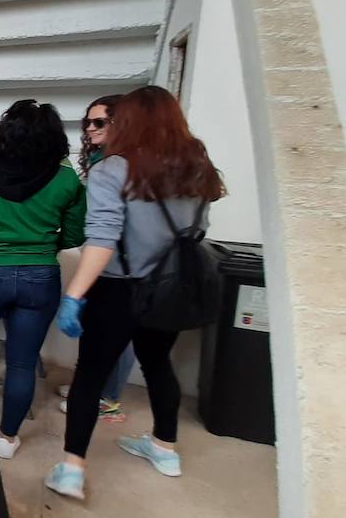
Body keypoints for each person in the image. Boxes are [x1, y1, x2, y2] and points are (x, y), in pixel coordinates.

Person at [45, 86, 224, 500]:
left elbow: (103, 238)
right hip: (170, 285)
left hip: (118, 288)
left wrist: (74, 293)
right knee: (158, 364)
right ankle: (165, 449)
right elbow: (197, 231)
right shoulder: (198, 170)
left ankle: (72, 468)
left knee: (90, 376)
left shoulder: (115, 169)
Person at [0, 100, 86, 460]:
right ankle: (6, 438)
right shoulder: (66, 179)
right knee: (22, 361)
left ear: (5, 134)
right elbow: (73, 236)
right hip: (40, 277)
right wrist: (36, 244)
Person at [57, 94, 133, 422]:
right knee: (99, 331)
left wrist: (74, 293)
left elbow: (111, 225)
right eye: (88, 122)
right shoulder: (103, 159)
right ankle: (91, 386)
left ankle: (108, 397)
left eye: (99, 122)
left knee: (117, 334)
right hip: (103, 252)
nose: (90, 128)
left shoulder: (121, 163)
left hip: (121, 258)